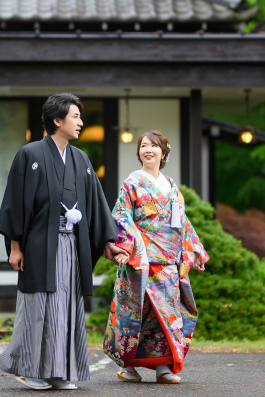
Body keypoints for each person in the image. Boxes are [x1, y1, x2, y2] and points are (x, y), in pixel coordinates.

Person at [0, 93, 128, 391]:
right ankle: (31, 369)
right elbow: (15, 202)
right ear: (57, 120)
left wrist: (108, 241)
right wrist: (15, 247)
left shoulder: (80, 159)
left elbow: (95, 204)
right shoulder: (30, 154)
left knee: (67, 307)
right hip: (39, 245)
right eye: (76, 116)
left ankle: (60, 371)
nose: (81, 122)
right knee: (38, 306)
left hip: (72, 244)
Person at [103, 130, 209, 384]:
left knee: (165, 317)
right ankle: (128, 367)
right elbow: (121, 218)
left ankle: (163, 365)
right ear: (139, 153)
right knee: (133, 316)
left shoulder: (171, 186)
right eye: (144, 146)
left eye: (154, 146)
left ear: (164, 152)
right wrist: (131, 249)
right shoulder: (132, 183)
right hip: (140, 263)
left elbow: (181, 222)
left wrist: (193, 251)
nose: (148, 150)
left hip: (167, 265)